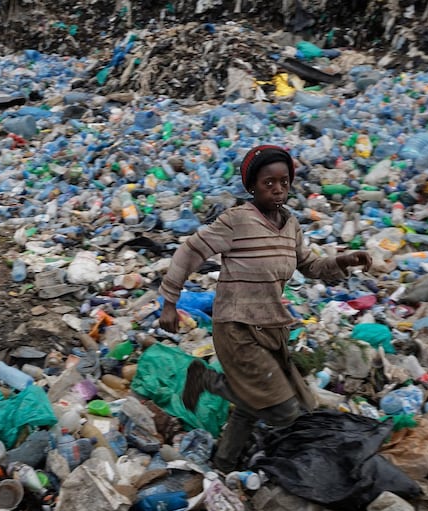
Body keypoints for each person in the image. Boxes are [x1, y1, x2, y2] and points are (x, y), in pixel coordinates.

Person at [158, 144, 372, 472]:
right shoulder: (237, 221)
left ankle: (224, 464)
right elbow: (190, 252)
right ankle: (207, 381)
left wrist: (343, 261)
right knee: (283, 409)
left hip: (270, 328)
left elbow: (310, 266)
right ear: (251, 186)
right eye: (267, 183)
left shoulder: (290, 225)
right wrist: (170, 301)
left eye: (284, 182)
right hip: (236, 326)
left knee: (256, 400)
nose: (277, 189)